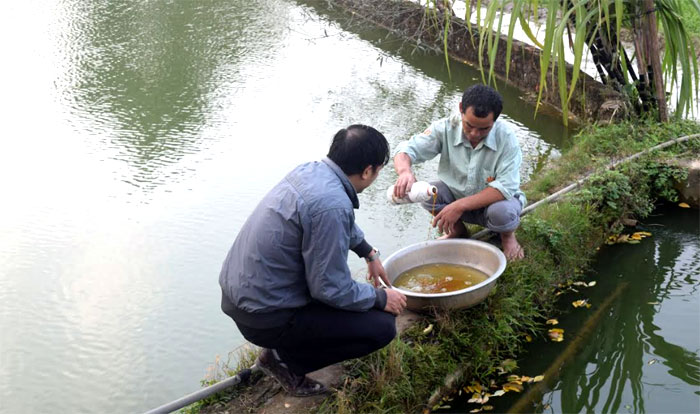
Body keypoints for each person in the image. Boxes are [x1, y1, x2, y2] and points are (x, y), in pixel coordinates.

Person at [219, 124, 407, 397]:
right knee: (380, 327)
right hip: (265, 315)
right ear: (367, 171)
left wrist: (368, 252)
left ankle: (283, 347)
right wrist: (381, 299)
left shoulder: (312, 172)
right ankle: (284, 362)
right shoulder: (332, 205)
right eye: (377, 171)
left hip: (242, 299)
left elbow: (337, 226)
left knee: (353, 302)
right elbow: (330, 288)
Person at [392, 84, 526, 260]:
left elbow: (505, 187)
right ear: (461, 109)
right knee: (427, 192)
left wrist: (459, 206)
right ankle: (458, 231)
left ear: (495, 121)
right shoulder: (445, 127)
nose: (474, 134)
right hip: (457, 195)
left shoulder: (507, 138)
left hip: (495, 205)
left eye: (484, 129)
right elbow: (407, 150)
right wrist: (404, 172)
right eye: (469, 125)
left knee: (501, 213)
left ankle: (507, 237)